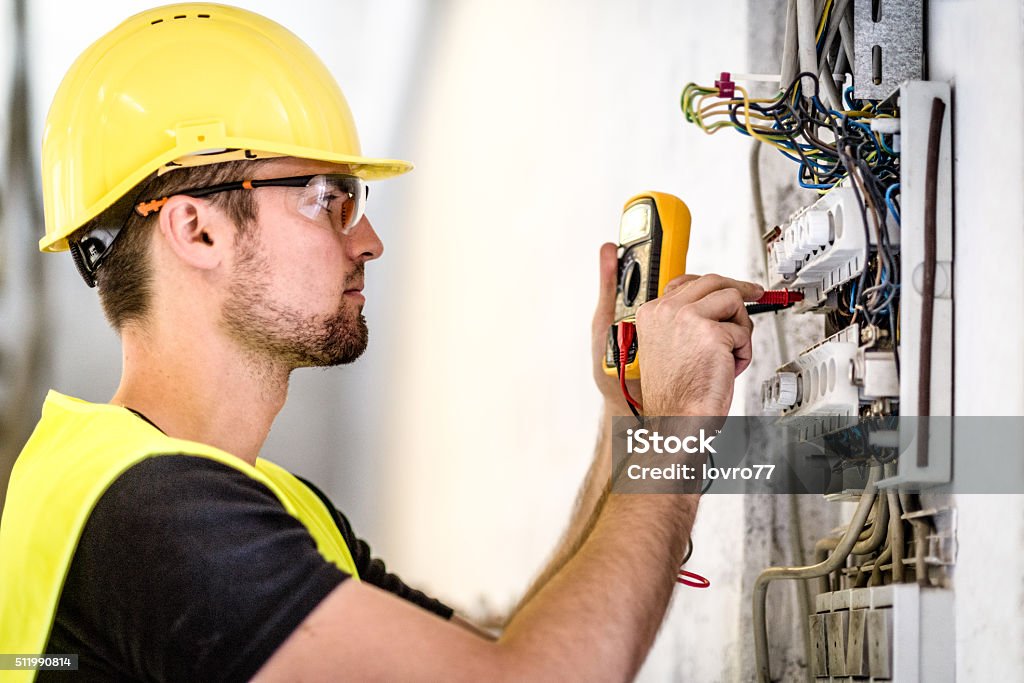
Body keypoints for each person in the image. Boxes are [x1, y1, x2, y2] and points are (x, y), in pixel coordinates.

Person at [0, 4, 762, 681]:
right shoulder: (148, 512)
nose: (368, 239)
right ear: (197, 229)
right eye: (328, 198)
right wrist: (678, 428)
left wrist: (627, 418)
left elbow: (507, 651)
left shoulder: (269, 505)